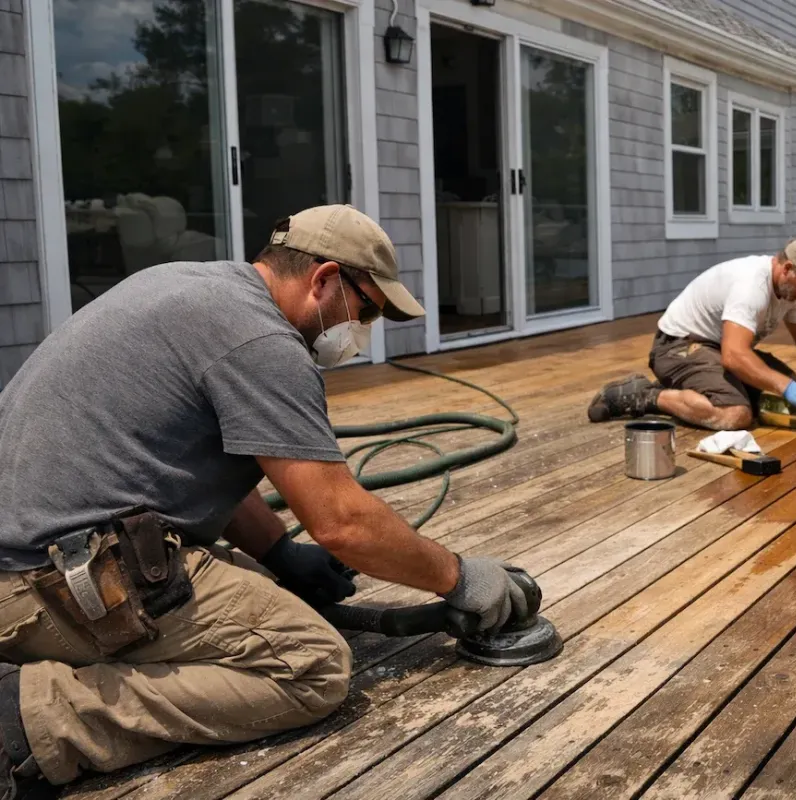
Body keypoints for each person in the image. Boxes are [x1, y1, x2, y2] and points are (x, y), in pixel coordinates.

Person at [0, 205, 530, 796]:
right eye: (368, 310)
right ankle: (30, 718)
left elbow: (187, 462)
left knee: (266, 602)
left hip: (42, 549)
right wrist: (458, 579)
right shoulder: (260, 341)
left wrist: (279, 553)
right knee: (309, 665)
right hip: (42, 582)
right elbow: (342, 523)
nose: (364, 330)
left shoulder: (193, 288)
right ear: (325, 279)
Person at [587, 238, 796, 431]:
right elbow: (733, 357)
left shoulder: (791, 291)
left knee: (786, 398)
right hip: (678, 347)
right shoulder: (750, 286)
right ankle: (643, 395)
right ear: (787, 268)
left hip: (717, 347)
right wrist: (785, 386)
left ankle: (701, 390)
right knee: (735, 413)